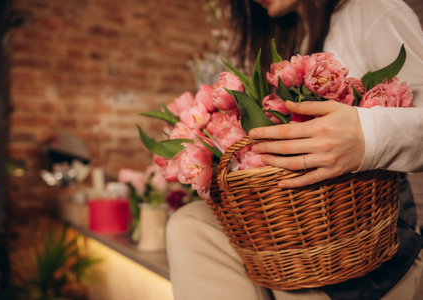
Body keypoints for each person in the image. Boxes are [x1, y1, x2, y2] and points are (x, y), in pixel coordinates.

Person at [166, 0, 423, 299]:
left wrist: (366, 137)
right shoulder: (289, 36)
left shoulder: (371, 11)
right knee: (189, 225)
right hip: (289, 249)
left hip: (370, 261)